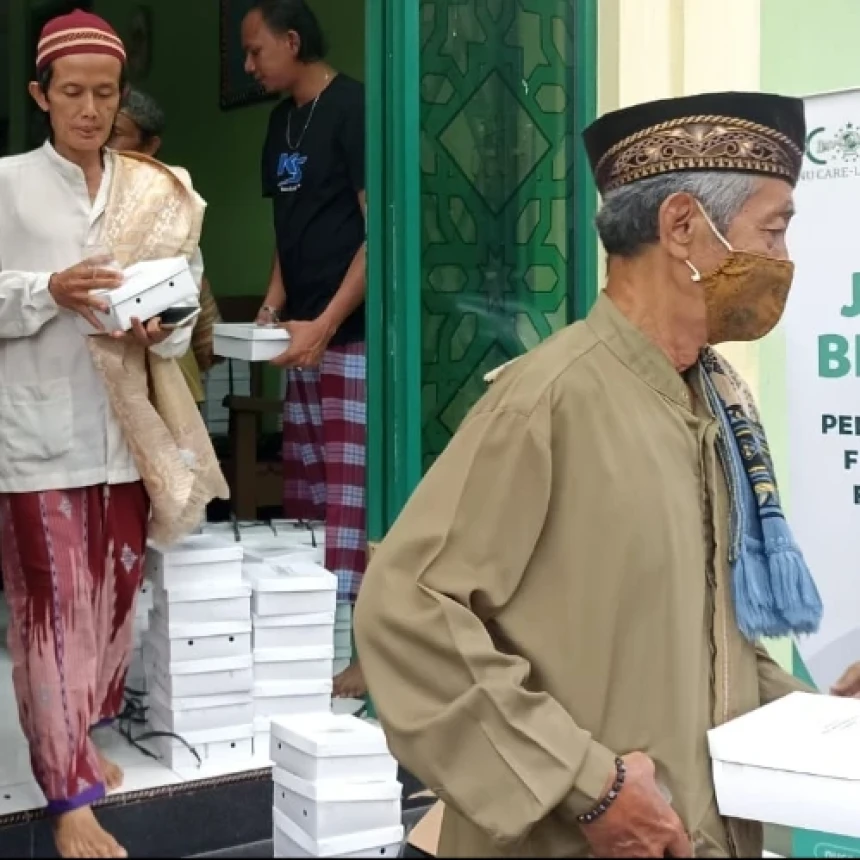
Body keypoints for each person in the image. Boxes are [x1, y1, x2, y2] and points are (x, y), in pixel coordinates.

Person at [354, 92, 824, 858]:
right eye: (773, 230)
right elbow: (406, 610)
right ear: (682, 229)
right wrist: (587, 785)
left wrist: (823, 728)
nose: (783, 260)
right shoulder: (547, 401)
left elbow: (710, 647)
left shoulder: (714, 403)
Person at [0, 10, 226, 858]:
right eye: (72, 93)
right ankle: (68, 798)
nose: (90, 110)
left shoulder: (152, 190)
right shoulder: (7, 185)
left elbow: (178, 316)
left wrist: (153, 327)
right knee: (52, 613)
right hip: (34, 435)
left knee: (111, 604)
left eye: (104, 94)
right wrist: (47, 290)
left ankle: (78, 738)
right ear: (40, 96)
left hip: (123, 434)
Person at [242, 0, 368, 698]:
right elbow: (288, 232)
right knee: (308, 499)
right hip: (300, 344)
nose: (250, 64)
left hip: (347, 342)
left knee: (353, 506)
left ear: (293, 42)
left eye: (258, 50)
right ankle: (307, 647)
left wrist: (324, 325)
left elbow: (379, 235)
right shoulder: (278, 122)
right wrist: (271, 308)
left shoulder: (353, 108)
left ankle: (364, 656)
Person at [109, 87, 224, 409]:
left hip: (165, 365)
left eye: (115, 134)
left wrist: (166, 329)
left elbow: (188, 290)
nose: (104, 147)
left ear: (151, 146)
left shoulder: (171, 202)